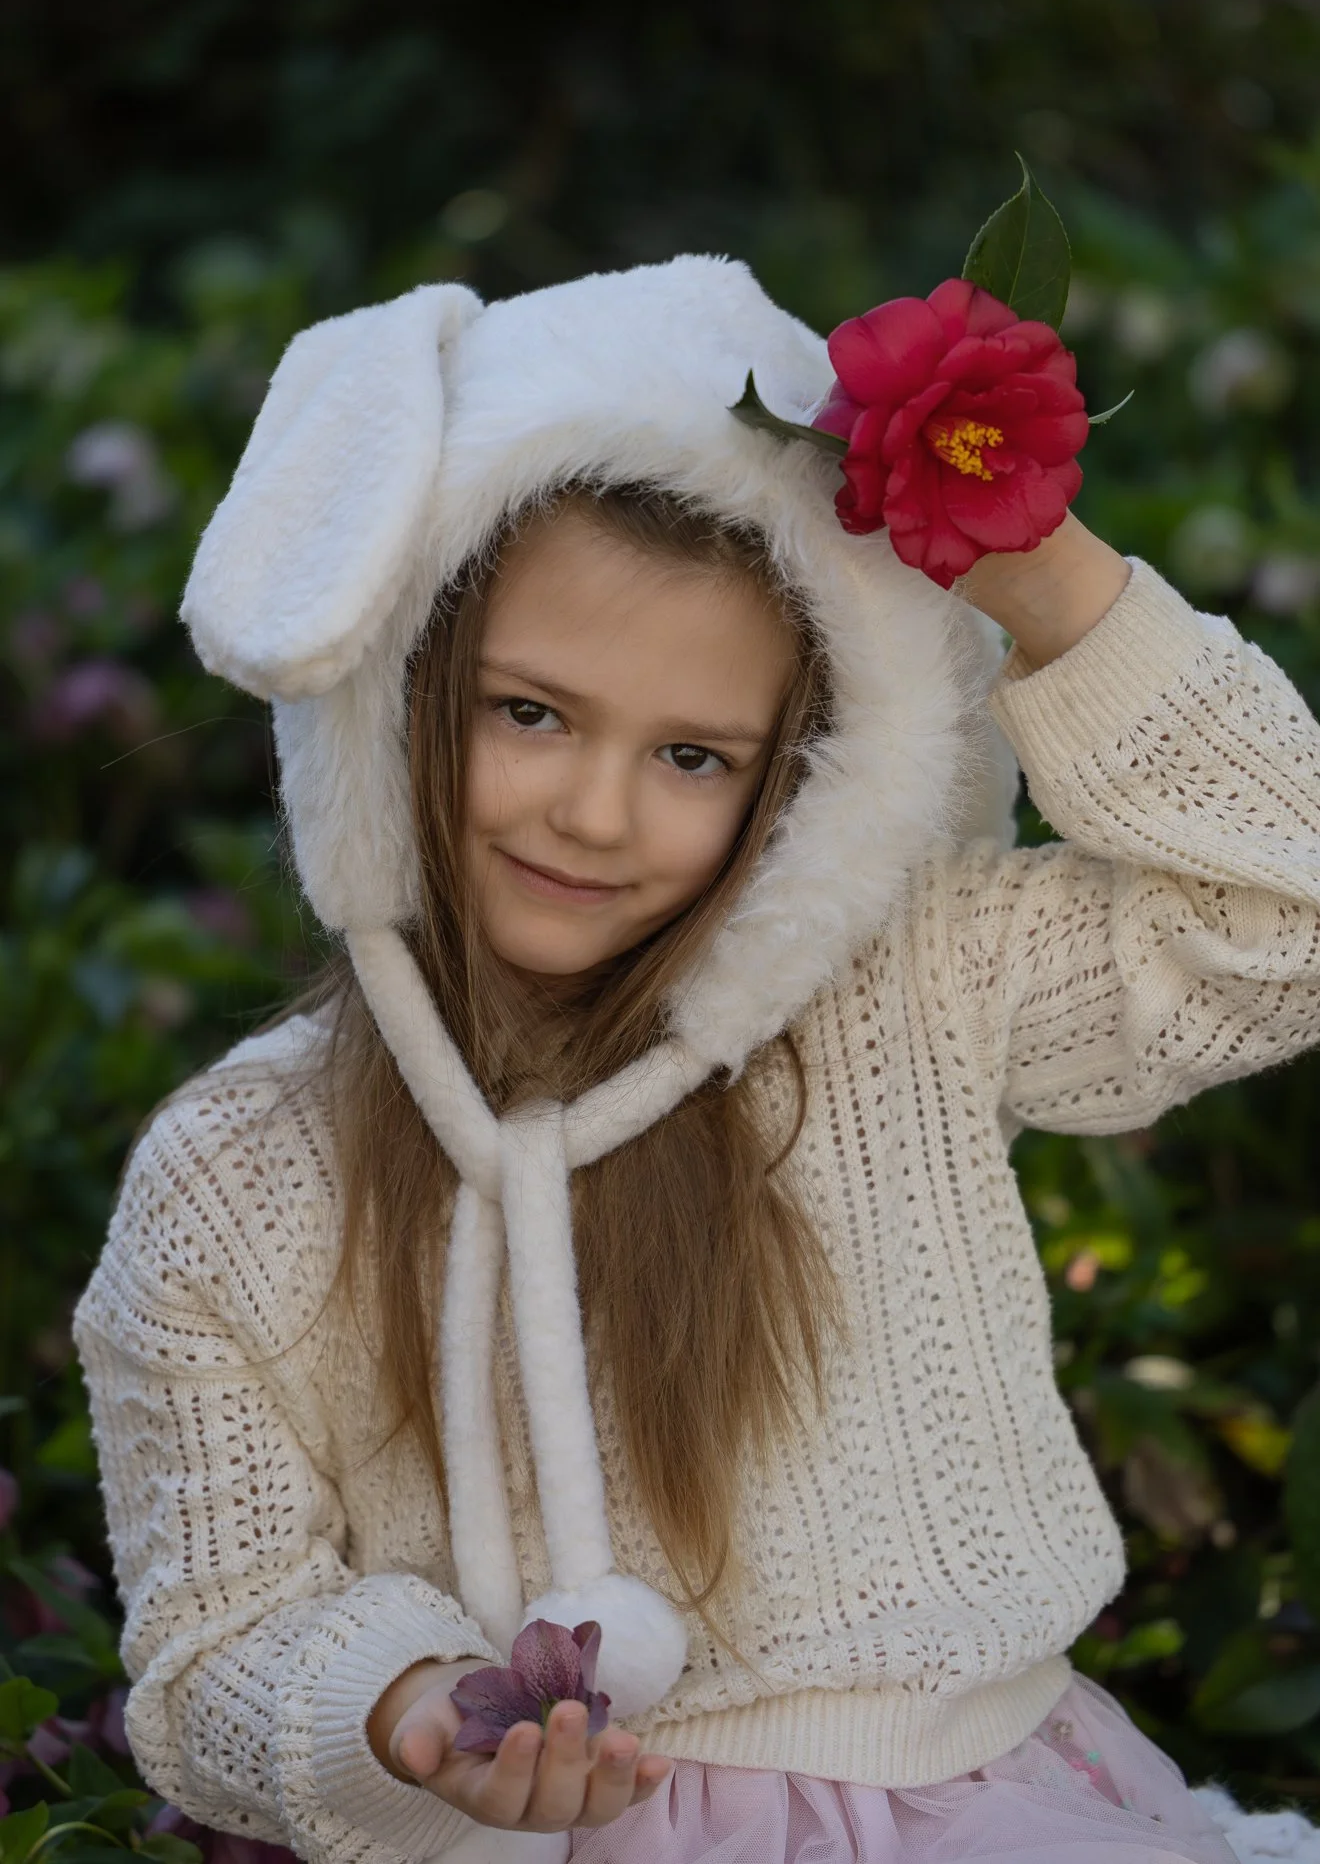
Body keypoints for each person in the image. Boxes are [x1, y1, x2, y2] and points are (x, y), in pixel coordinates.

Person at [74, 257, 1320, 1864]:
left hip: (987, 1814)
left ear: (805, 780)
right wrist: (407, 1706)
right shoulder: (239, 1175)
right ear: (397, 687)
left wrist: (1043, 575)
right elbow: (213, 1640)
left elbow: (1283, 920)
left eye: (691, 756)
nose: (594, 814)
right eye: (529, 713)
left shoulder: (907, 987)